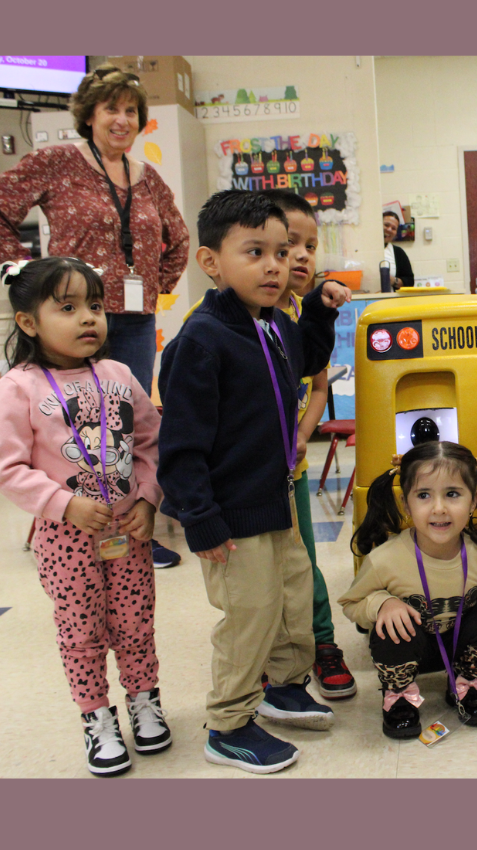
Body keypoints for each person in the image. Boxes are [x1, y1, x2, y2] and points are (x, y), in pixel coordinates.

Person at [156, 191, 350, 775]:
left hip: (276, 500)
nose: (276, 264)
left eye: (282, 250)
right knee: (249, 614)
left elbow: (309, 354)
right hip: (229, 514)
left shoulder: (270, 324)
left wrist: (317, 306)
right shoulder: (202, 339)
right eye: (256, 252)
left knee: (290, 598)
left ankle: (284, 686)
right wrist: (201, 519)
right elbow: (180, 446)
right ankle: (229, 722)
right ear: (211, 262)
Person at [0, 63, 190, 570]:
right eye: (111, 108)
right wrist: (24, 274)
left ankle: (134, 525)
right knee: (66, 427)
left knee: (125, 427)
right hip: (67, 316)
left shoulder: (147, 177)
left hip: (130, 319)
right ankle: (57, 518)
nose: (122, 119)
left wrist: (158, 286)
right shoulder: (58, 161)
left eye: (131, 111)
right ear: (88, 115)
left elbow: (177, 239)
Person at [0, 257, 171, 777]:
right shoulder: (17, 388)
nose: (88, 318)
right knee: (81, 630)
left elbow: (152, 441)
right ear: (28, 322)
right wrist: (63, 504)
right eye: (67, 308)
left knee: (135, 623)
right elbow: (5, 466)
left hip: (127, 532)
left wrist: (149, 499)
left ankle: (143, 700)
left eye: (94, 305)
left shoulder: (119, 375)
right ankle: (96, 717)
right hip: (66, 540)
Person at [341, 442, 477, 739]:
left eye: (452, 494)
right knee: (390, 628)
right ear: (405, 503)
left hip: (462, 648)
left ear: (474, 499)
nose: (439, 508)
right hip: (412, 649)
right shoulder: (385, 559)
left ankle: (467, 682)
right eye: (424, 495)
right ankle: (399, 694)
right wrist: (382, 604)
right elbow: (352, 604)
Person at [262, 189, 357, 699]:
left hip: (291, 463)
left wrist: (301, 436)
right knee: (259, 570)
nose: (300, 255)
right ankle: (269, 651)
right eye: (287, 243)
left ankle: (321, 643)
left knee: (303, 559)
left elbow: (317, 385)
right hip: (248, 473)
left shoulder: (303, 311)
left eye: (309, 245)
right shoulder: (226, 320)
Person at [383, 211, 414, 290]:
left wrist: (394, 281)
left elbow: (410, 281)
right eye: (386, 225)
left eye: (393, 228)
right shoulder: (364, 249)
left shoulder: (398, 253)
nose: (389, 229)